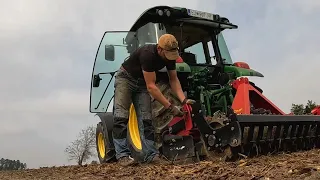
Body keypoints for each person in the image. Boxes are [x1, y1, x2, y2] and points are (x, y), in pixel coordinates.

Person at [112, 33, 195, 166]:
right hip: (125, 79)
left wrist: (183, 100)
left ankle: (151, 155)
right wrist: (170, 107)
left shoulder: (170, 57)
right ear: (159, 49)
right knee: (121, 116)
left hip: (142, 83)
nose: (170, 59)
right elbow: (151, 87)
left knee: (147, 119)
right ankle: (122, 156)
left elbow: (173, 80)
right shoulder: (147, 54)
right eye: (167, 54)